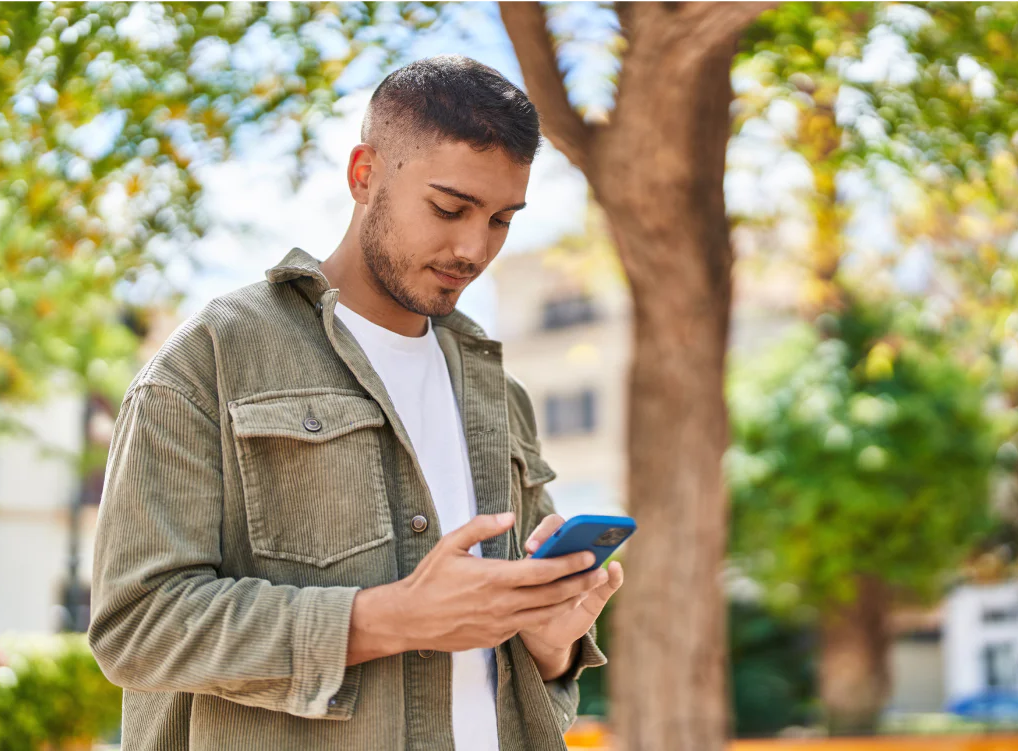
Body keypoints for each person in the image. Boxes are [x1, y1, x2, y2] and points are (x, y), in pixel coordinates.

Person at [88, 55, 623, 751]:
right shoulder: (213, 358)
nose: (473, 247)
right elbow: (136, 629)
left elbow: (520, 679)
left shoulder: (497, 392)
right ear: (363, 174)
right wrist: (389, 617)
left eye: (500, 219)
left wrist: (550, 641)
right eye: (449, 207)